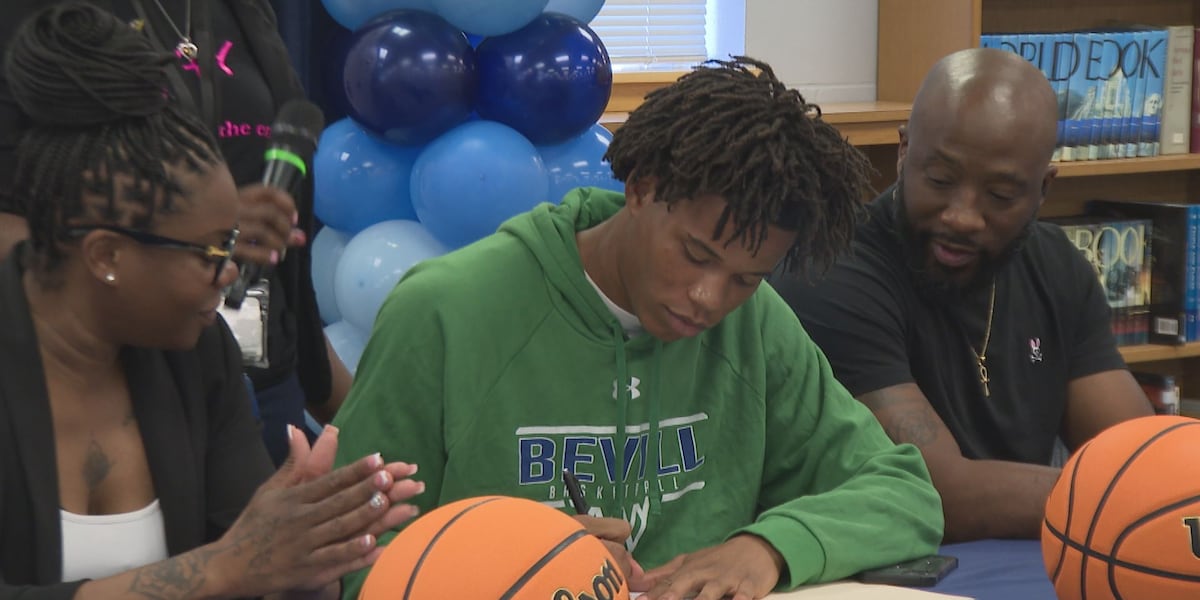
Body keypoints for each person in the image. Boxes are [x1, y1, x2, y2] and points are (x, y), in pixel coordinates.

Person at [332, 56, 944, 600]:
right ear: (641, 189)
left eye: (745, 278)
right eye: (697, 254)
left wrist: (767, 549)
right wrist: (518, 556)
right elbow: (351, 561)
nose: (709, 299)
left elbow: (903, 492)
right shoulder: (444, 311)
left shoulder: (755, 326)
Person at [0, 4, 424, 598]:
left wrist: (309, 552)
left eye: (232, 242)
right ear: (106, 256)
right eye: (208, 251)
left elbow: (256, 571)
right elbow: (229, 568)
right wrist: (226, 568)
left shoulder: (198, 355)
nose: (230, 272)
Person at [772, 48, 1154, 543]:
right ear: (904, 150)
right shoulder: (829, 271)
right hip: (883, 568)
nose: (962, 216)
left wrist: (1157, 487)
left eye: (999, 196)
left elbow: (1135, 452)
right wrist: (1131, 497)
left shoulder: (1058, 266)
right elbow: (931, 491)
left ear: (1044, 189)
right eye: (941, 180)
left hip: (1034, 557)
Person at [0, 0, 350, 466]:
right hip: (118, 374)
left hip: (261, 367)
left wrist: (348, 408)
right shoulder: (31, 20)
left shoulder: (241, 9)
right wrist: (194, 233)